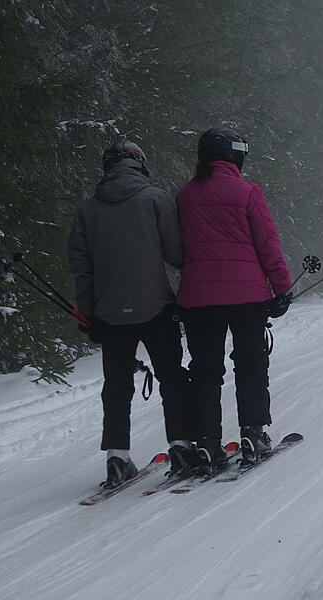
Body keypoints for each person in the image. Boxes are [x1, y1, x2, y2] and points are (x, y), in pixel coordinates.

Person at [68, 141, 194, 489]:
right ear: (140, 163)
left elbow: (82, 269)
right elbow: (176, 255)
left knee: (117, 384)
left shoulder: (88, 211)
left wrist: (89, 314)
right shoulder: (156, 199)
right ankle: (181, 446)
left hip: (109, 313)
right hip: (156, 306)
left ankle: (117, 457)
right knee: (171, 376)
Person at [175, 127, 292, 471]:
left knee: (205, 371)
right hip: (247, 296)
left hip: (199, 299)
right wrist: (281, 288)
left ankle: (207, 443)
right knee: (251, 364)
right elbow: (267, 244)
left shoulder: (183, 196)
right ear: (235, 157)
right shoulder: (247, 192)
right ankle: (253, 434)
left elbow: (175, 248)